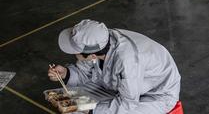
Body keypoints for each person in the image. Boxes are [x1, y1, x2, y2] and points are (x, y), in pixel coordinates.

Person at [48, 19, 180, 113]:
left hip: (155, 96)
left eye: (75, 51)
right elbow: (85, 72)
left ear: (92, 55)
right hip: (122, 87)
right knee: (71, 99)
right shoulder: (100, 40)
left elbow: (128, 104)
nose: (73, 53)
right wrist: (66, 74)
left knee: (82, 109)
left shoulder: (127, 61)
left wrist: (92, 112)